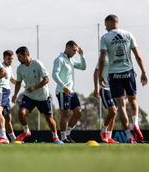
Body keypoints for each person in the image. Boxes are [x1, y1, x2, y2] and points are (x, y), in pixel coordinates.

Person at [98, 14, 147, 143]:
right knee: (132, 100)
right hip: (128, 72)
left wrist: (99, 76)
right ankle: (135, 123)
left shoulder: (105, 37)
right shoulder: (128, 34)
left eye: (105, 24)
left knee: (120, 105)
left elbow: (102, 57)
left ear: (109, 23)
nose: (105, 27)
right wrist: (143, 72)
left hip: (114, 74)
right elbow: (138, 56)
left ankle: (129, 136)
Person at [12, 46, 63, 144]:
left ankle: (55, 137)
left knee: (49, 118)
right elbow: (18, 82)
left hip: (43, 96)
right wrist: (15, 94)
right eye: (18, 57)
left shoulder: (37, 64)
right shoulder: (20, 68)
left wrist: (35, 88)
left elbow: (47, 79)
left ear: (26, 54)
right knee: (21, 112)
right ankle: (26, 131)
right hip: (29, 96)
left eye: (20, 57)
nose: (18, 59)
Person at [52, 40, 86, 143]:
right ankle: (62, 137)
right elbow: (54, 75)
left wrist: (82, 55)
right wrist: (63, 87)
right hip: (62, 91)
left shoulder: (71, 60)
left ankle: (67, 134)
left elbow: (83, 67)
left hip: (71, 91)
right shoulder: (59, 59)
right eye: (74, 50)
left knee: (78, 112)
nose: (75, 52)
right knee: (65, 113)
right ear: (68, 47)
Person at [93, 56, 118, 143]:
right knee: (113, 111)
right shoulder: (104, 57)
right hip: (105, 89)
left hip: (116, 89)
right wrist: (96, 89)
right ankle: (103, 131)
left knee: (114, 115)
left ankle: (109, 137)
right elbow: (96, 72)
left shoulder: (118, 57)